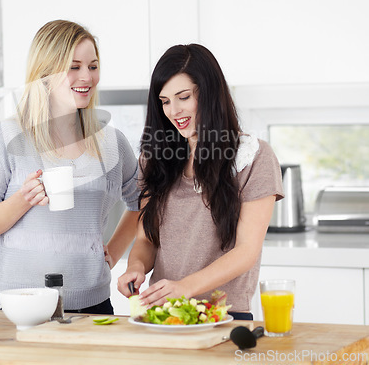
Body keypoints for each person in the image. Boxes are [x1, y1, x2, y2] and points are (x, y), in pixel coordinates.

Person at [0, 20, 140, 314]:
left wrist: (113, 252)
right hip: (23, 306)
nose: (87, 76)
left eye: (93, 66)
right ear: (45, 74)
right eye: (73, 67)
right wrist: (23, 200)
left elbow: (144, 201)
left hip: (93, 303)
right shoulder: (8, 137)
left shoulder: (110, 142)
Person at [117, 44, 284, 320]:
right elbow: (146, 239)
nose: (174, 111)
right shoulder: (154, 159)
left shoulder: (253, 157)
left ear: (210, 93)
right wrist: (135, 266)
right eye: (165, 101)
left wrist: (185, 287)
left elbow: (246, 251)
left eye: (183, 97)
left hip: (224, 317)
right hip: (164, 316)